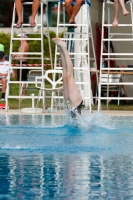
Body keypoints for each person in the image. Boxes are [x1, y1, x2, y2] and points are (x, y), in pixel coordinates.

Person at [52, 36, 83, 118]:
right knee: (68, 76)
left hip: (69, 103)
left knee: (65, 76)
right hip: (75, 104)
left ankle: (61, 49)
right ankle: (64, 48)